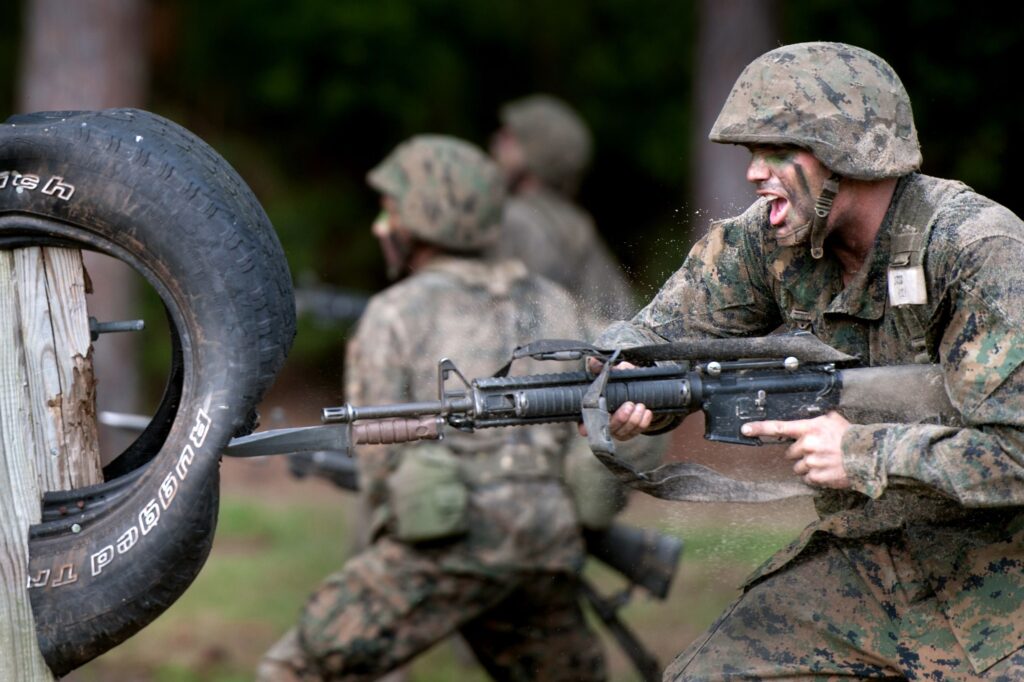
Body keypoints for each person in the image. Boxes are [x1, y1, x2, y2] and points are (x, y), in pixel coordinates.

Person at [597, 42, 1024, 679]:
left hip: (1006, 579)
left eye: (778, 151)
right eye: (749, 154)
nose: (753, 173)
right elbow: (654, 339)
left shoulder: (979, 249)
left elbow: (1017, 452)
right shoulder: (766, 241)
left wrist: (859, 453)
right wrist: (626, 381)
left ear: (850, 152)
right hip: (871, 565)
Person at [258, 135, 608, 681]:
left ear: (420, 219)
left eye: (390, 209)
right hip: (546, 545)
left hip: (447, 550)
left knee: (295, 667)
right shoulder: (553, 302)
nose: (380, 226)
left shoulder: (396, 312)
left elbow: (377, 454)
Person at [488, 93, 635, 322]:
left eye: (510, 137)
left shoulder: (512, 219)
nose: (497, 141)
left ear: (536, 152)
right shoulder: (577, 223)